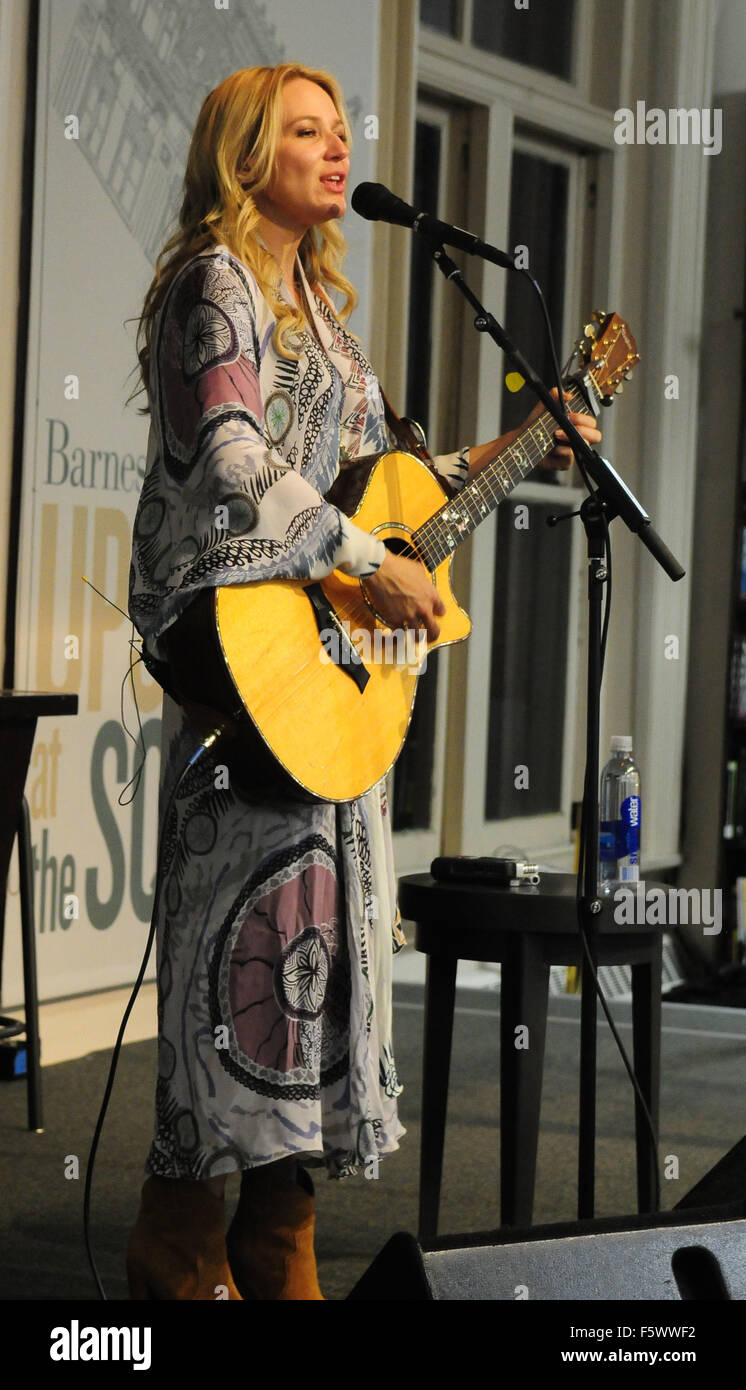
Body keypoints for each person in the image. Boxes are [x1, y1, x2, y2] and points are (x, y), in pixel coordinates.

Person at [125, 62, 602, 1301]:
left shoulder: (326, 311)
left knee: (317, 951)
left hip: (326, 674)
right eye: (305, 132)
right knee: (241, 942)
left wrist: (531, 435)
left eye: (341, 133)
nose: (336, 151)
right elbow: (230, 451)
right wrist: (359, 564)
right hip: (243, 659)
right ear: (244, 154)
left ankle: (272, 1237)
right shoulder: (209, 282)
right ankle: (178, 1243)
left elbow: (397, 480)